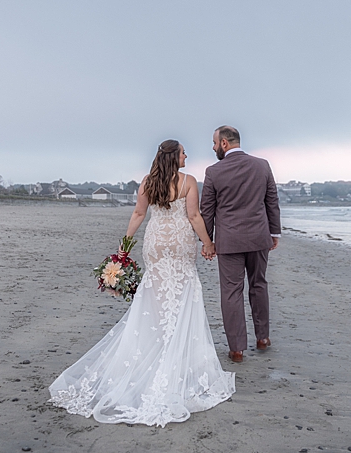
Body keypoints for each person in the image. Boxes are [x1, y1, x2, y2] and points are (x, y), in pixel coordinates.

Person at [48, 139, 235, 426]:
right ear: (175, 157)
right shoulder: (188, 181)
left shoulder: (149, 181)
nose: (187, 155)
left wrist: (124, 247)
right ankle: (175, 350)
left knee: (157, 296)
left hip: (156, 242)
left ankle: (159, 346)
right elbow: (194, 216)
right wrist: (207, 242)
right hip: (180, 243)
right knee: (183, 293)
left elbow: (138, 214)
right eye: (184, 152)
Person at [200, 125, 281, 363]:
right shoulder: (262, 165)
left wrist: (208, 241)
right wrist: (274, 232)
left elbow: (208, 210)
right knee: (259, 285)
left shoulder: (214, 172)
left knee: (231, 292)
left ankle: (237, 349)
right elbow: (272, 201)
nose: (214, 147)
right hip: (258, 237)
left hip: (229, 240)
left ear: (224, 143)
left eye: (215, 143)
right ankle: (263, 337)